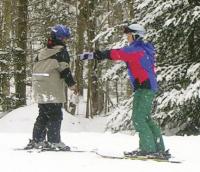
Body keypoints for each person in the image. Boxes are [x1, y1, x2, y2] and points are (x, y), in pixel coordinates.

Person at [80, 23, 168, 157]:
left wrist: (96, 55)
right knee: (145, 118)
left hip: (145, 87)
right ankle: (158, 148)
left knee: (139, 118)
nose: (127, 37)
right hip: (145, 87)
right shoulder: (142, 49)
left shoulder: (136, 50)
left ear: (135, 35)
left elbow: (118, 53)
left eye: (128, 35)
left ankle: (149, 150)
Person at [26, 24, 77, 150]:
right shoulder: (61, 52)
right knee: (55, 115)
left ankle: (37, 140)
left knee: (43, 114)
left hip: (39, 87)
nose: (66, 41)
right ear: (60, 38)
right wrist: (72, 85)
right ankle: (54, 142)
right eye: (65, 38)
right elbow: (65, 70)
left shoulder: (42, 52)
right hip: (52, 89)